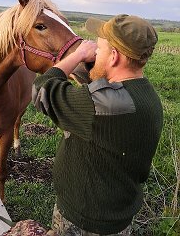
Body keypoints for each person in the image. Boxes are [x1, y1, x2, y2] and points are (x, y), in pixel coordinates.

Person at [32, 14, 163, 235]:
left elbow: (41, 90)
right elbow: (101, 88)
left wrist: (78, 55)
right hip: (117, 216)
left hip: (83, 220)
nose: (94, 52)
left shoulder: (100, 106)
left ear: (113, 57)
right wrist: (94, 65)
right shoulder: (147, 96)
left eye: (99, 49)